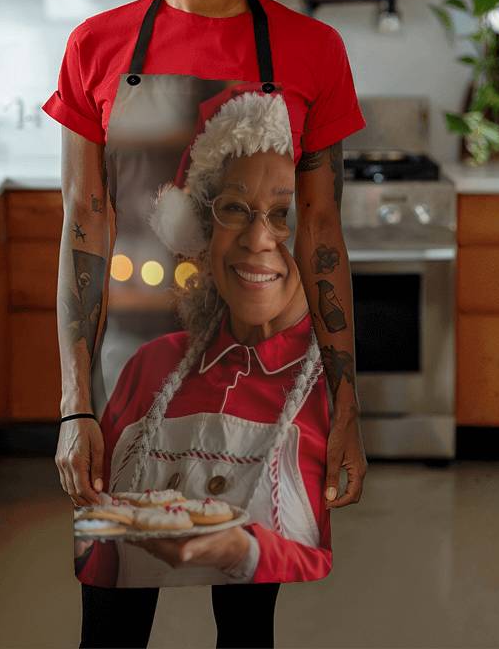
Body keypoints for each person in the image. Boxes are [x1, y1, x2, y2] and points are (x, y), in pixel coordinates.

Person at [42, 0, 368, 649]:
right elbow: (86, 225)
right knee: (112, 622)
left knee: (246, 625)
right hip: (130, 379)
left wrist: (344, 405)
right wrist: (78, 405)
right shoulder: (97, 47)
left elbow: (321, 238)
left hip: (268, 381)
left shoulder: (311, 51)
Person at [75, 92, 330, 617]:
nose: (259, 239)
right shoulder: (149, 366)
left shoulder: (330, 390)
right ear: (202, 229)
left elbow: (312, 555)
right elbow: (102, 572)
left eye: (283, 216)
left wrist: (248, 552)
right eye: (235, 209)